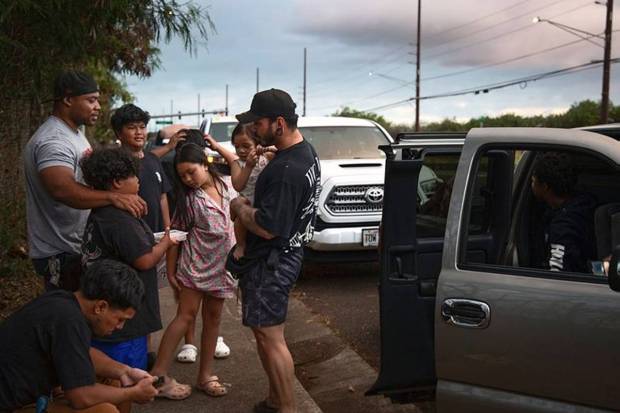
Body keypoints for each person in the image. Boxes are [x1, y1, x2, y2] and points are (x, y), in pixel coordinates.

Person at [229, 89, 321, 413]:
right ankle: (275, 400)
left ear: (278, 124)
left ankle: (287, 408)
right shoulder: (304, 153)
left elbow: (269, 226)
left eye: (258, 123)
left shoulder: (286, 170)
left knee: (270, 337)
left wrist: (239, 207)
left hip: (272, 261)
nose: (253, 129)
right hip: (284, 256)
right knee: (265, 334)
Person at [23, 70, 146, 292]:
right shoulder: (54, 140)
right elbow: (62, 189)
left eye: (97, 100)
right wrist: (113, 197)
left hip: (76, 247)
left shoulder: (74, 133)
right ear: (68, 100)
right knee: (72, 319)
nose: (98, 106)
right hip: (61, 253)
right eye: (91, 100)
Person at [0, 259, 158, 413]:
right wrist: (133, 393)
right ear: (100, 307)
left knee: (113, 379)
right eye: (120, 319)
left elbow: (80, 352)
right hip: (12, 406)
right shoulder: (69, 320)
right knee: (104, 411)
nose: (120, 327)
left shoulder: (64, 302)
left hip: (30, 393)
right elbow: (80, 396)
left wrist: (125, 371)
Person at [149, 132, 236, 399]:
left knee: (213, 319)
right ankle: (159, 377)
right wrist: (172, 272)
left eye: (191, 172)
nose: (187, 179)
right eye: (182, 175)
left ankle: (205, 376)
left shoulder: (229, 184)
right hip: (195, 268)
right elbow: (176, 236)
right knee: (185, 317)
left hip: (223, 269)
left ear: (205, 164)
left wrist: (216, 145)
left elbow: (238, 164)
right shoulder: (189, 200)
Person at [79, 148, 178, 381]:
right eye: (134, 176)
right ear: (116, 183)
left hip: (108, 312)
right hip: (122, 320)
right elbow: (144, 260)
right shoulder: (119, 219)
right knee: (123, 379)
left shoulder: (103, 212)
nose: (138, 181)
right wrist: (165, 243)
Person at [206, 123, 275, 259]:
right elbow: (238, 185)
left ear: (257, 143)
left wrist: (266, 148)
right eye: (237, 147)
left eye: (246, 146)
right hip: (247, 201)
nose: (241, 150)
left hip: (264, 200)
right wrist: (248, 166)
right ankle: (240, 245)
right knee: (239, 221)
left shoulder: (265, 157)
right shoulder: (238, 164)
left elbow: (279, 151)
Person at [531, 151, 597, 273]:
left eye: (533, 181)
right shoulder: (584, 205)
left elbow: (558, 274)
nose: (532, 185)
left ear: (545, 187)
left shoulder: (562, 228)